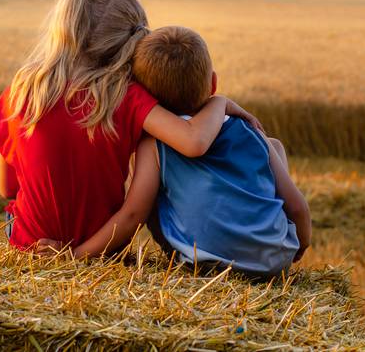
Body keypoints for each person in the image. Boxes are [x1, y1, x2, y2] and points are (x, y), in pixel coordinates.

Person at [0, 0, 261, 253]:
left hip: (27, 242)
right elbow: (193, 141)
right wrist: (219, 102)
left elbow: (7, 188)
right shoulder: (126, 95)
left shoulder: (22, 90)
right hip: (102, 248)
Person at [127, 25, 311, 277]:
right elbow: (298, 207)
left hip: (201, 262)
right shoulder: (249, 130)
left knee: (150, 191)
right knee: (272, 147)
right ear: (213, 83)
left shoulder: (153, 144)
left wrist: (81, 254)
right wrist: (299, 245)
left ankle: (174, 252)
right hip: (273, 261)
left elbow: (135, 213)